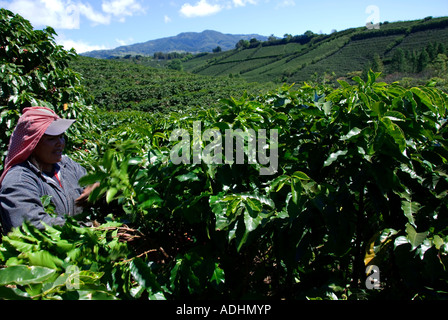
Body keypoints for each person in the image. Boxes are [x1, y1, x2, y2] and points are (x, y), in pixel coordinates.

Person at [0, 106, 97, 234]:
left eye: (61, 136)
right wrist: (88, 229)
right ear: (32, 143)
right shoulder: (18, 180)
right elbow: (34, 225)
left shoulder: (67, 165)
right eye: (51, 139)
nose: (60, 143)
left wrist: (99, 186)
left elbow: (91, 182)